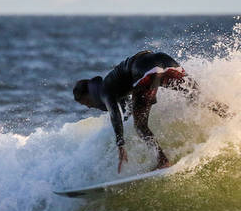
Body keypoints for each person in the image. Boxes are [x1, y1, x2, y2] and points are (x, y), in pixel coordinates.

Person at [73, 50, 226, 173]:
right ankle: (231, 115)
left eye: (85, 102)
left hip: (148, 71)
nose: (88, 107)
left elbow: (114, 114)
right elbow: (127, 109)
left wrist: (120, 143)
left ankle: (162, 161)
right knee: (198, 98)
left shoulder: (105, 89)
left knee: (140, 126)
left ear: (88, 94)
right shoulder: (114, 83)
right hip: (167, 62)